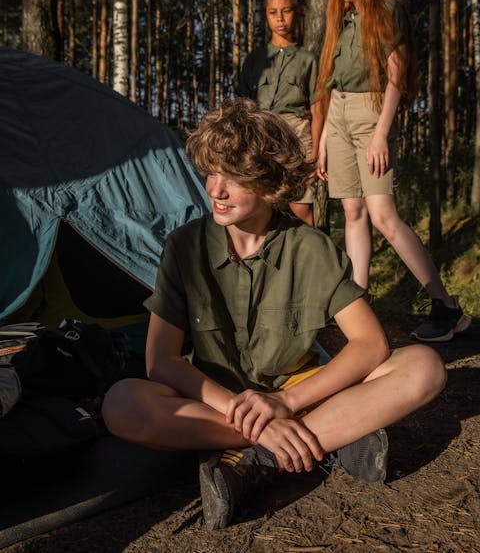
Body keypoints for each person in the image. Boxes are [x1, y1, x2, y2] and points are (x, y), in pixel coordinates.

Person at [102, 98, 447, 530]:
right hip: (216, 400)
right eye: (211, 171)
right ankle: (310, 438)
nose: (216, 190)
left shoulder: (311, 248)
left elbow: (371, 344)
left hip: (298, 392)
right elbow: (161, 361)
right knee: (122, 403)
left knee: (423, 366)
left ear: (270, 182)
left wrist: (284, 403)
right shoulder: (184, 246)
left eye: (234, 177)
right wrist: (257, 422)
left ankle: (259, 460)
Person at [315, 0, 471, 342]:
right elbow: (333, 86)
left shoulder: (387, 9)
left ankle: (445, 306)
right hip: (339, 117)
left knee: (383, 215)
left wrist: (382, 133)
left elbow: (397, 75)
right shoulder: (344, 21)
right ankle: (358, 303)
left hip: (371, 114)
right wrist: (323, 143)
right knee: (352, 212)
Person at [238, 0, 321, 225]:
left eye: (286, 11)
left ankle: (313, 260)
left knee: (301, 207)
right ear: (266, 16)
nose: (280, 18)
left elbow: (318, 110)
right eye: (273, 13)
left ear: (296, 13)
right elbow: (242, 108)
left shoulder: (307, 60)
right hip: (263, 135)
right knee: (261, 206)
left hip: (299, 136)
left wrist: (317, 151)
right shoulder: (255, 60)